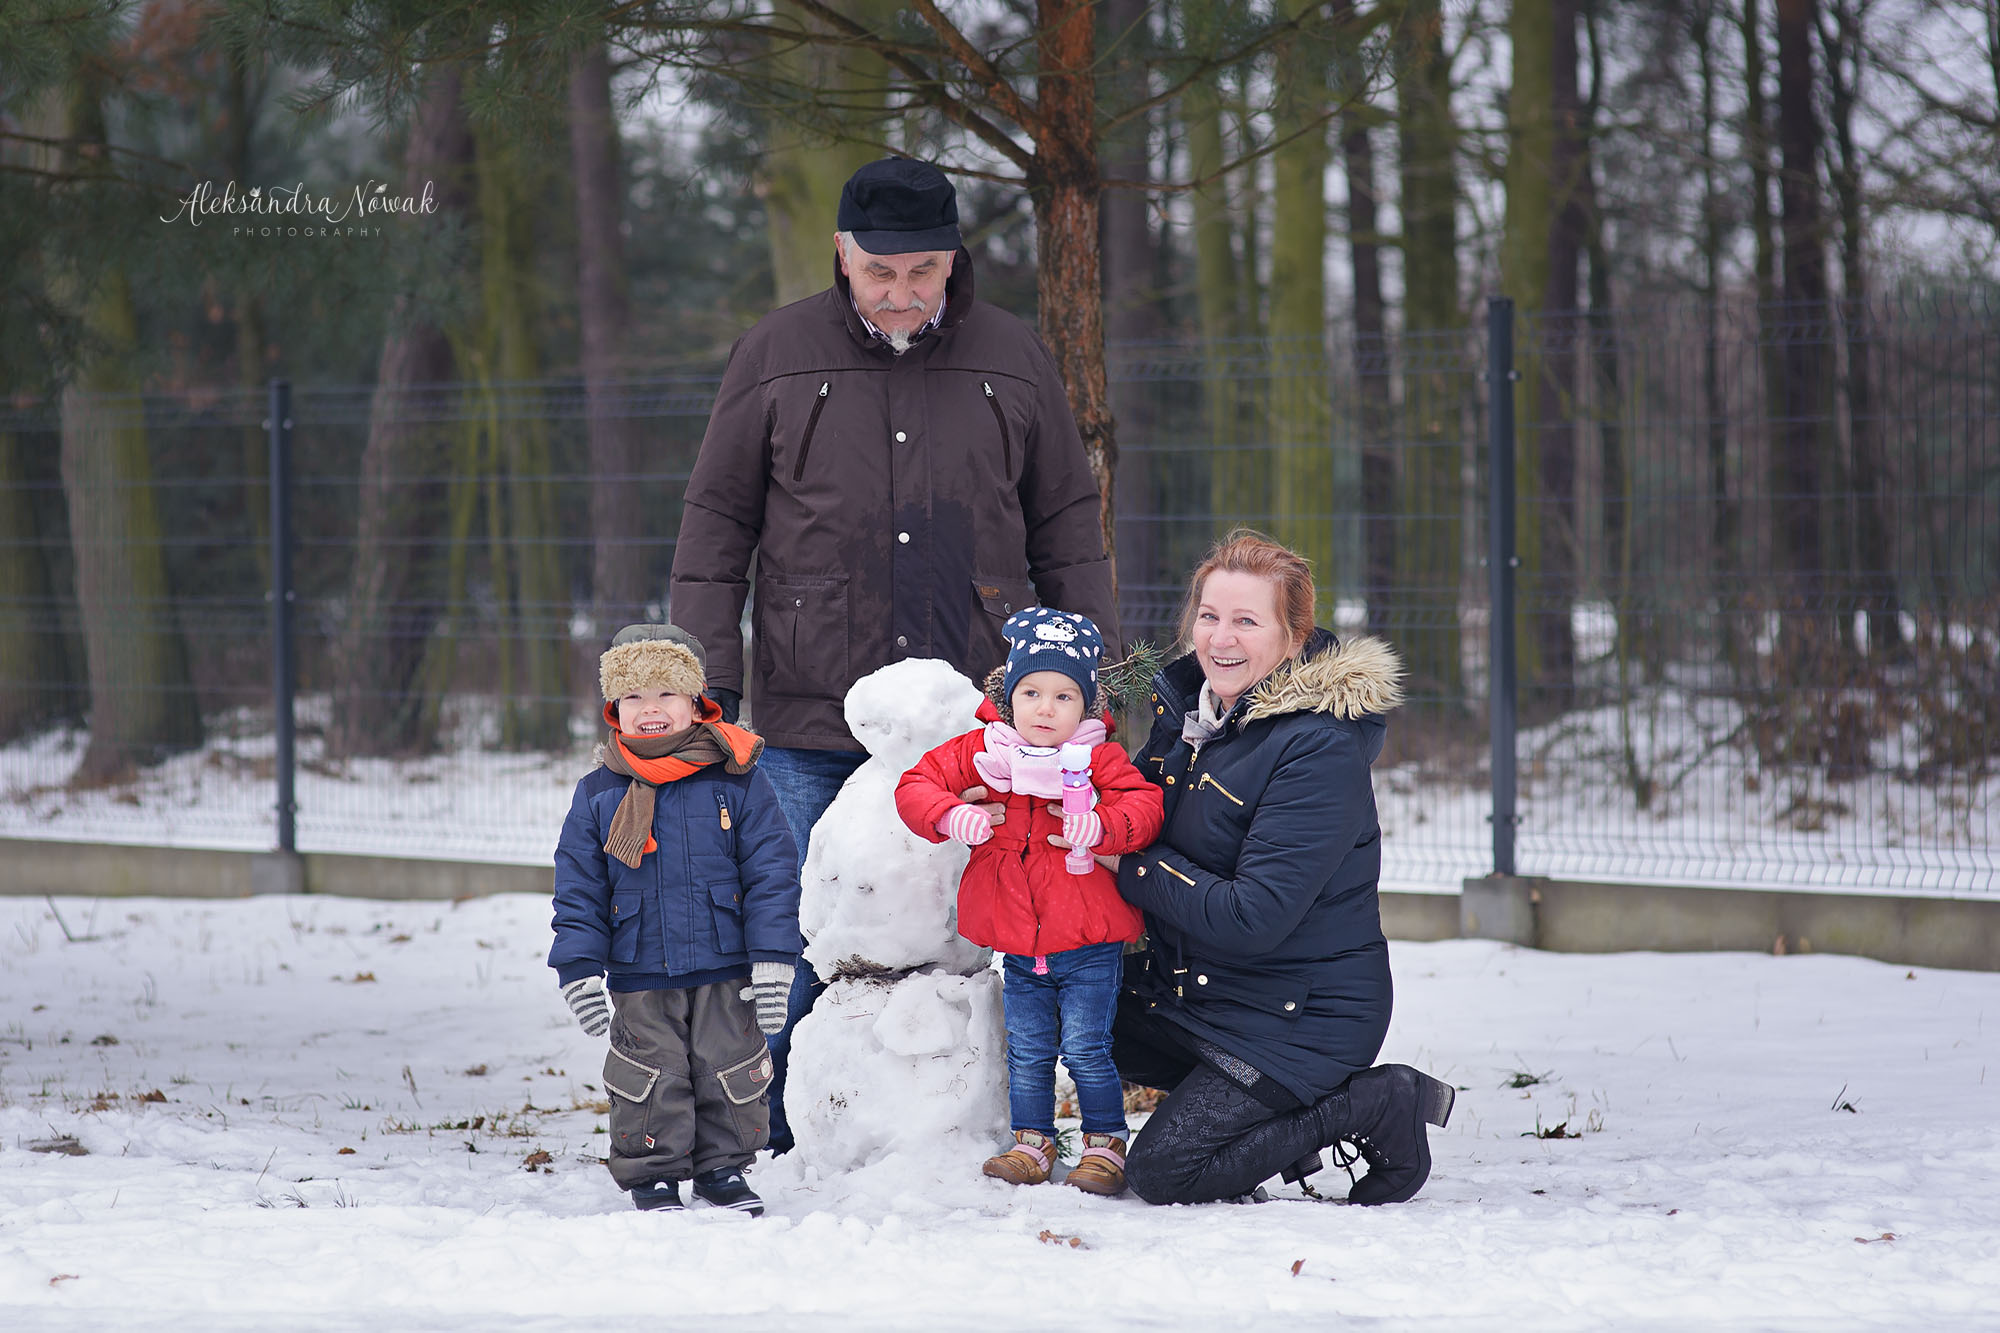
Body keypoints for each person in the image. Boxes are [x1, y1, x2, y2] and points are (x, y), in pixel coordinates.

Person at [669, 155, 1121, 1152]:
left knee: (982, 921)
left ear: (954, 260)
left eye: (923, 270)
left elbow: (1066, 524)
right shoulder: (775, 354)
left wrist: (1094, 688)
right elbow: (713, 529)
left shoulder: (1011, 355)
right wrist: (712, 690)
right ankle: (776, 1126)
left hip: (980, 716)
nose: (902, 293)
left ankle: (959, 1126)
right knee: (799, 929)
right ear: (841, 255)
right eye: (880, 272)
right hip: (805, 709)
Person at [1097, 532, 1455, 1207]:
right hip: (1198, 993)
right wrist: (1016, 792)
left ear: (1294, 638)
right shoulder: (1194, 716)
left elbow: (1253, 915)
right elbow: (1126, 805)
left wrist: (1129, 862)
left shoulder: (1317, 747)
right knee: (1062, 1007)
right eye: (1209, 616)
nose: (1220, 638)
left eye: (1245, 620)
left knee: (1164, 1171)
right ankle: (1252, 1111)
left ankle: (1376, 1104)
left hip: (1297, 1017)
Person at [894, 608, 1164, 1195]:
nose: (1047, 708)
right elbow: (915, 786)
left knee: (1087, 1048)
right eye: (1033, 692)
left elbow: (1143, 810)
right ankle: (1033, 1142)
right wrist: (951, 813)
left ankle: (1104, 1144)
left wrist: (1102, 826)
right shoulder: (984, 752)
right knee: (1030, 1051)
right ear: (1009, 696)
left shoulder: (1098, 758)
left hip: (1089, 941)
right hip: (1021, 945)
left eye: (1065, 696)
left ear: (1086, 705)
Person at [549, 624, 803, 1213]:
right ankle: (653, 1172)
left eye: (666, 694)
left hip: (726, 961)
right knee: (650, 1073)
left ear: (696, 701)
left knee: (728, 1069)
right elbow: (578, 886)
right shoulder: (599, 790)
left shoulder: (738, 780)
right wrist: (580, 968)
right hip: (639, 964)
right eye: (634, 697)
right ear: (616, 709)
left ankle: (723, 1170)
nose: (651, 710)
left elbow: (771, 871)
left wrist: (772, 958)